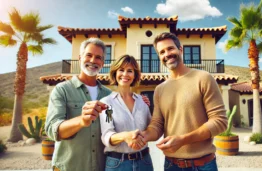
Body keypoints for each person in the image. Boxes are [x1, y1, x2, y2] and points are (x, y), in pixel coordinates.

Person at [45, 38, 150, 171]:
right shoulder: (62, 90)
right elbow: (52, 130)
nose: (93, 60)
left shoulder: (108, 97)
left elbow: (109, 127)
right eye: (89, 55)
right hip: (70, 166)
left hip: (100, 166)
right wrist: (81, 121)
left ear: (103, 62)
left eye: (98, 57)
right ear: (80, 58)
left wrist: (142, 103)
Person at [130, 32, 228, 171]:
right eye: (162, 52)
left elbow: (220, 122)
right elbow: (157, 125)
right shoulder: (160, 89)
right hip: (171, 165)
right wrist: (144, 136)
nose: (167, 54)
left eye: (170, 48)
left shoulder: (203, 78)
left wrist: (183, 140)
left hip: (203, 165)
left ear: (180, 49)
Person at [99, 55, 153, 171]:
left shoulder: (142, 102)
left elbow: (152, 127)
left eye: (130, 71)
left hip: (144, 162)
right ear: (115, 73)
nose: (125, 74)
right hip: (118, 164)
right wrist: (125, 136)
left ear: (135, 75)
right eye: (121, 70)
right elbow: (107, 135)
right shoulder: (107, 104)